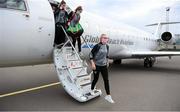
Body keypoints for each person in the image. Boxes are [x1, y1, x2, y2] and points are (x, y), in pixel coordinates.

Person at [89, 34, 115, 103]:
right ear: (101, 39)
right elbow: (91, 54)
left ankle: (108, 96)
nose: (106, 39)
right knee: (96, 79)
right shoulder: (97, 46)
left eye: (107, 38)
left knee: (106, 80)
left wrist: (107, 61)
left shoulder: (107, 46)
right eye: (105, 38)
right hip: (97, 65)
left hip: (103, 66)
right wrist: (92, 63)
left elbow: (106, 55)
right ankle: (91, 89)